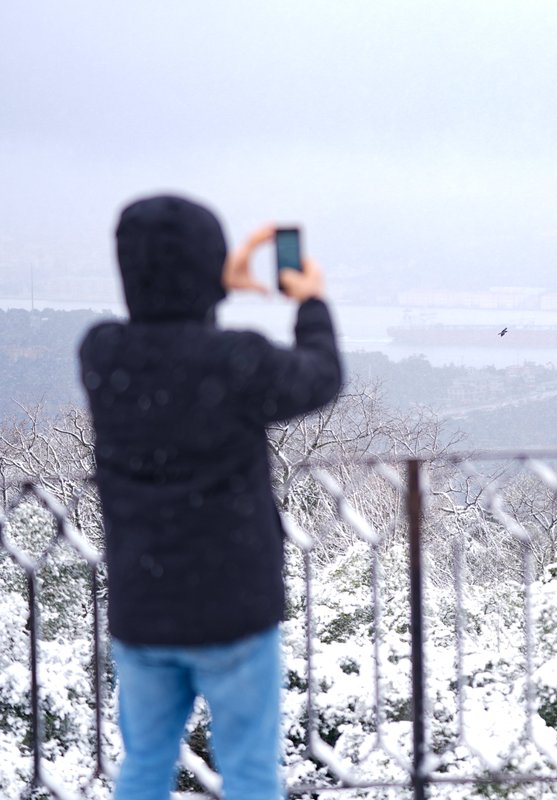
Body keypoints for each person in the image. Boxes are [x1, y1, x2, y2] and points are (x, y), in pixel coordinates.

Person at [78, 194, 343, 799]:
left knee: (144, 765)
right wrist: (309, 301)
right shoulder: (236, 360)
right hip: (234, 610)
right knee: (249, 771)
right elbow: (322, 375)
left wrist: (203, 282)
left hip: (143, 609)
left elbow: (167, 337)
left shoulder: (101, 353)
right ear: (210, 273)